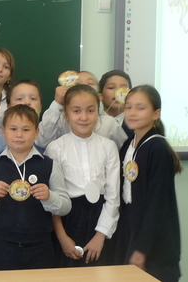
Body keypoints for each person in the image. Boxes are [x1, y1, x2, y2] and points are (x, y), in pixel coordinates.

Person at [0, 104, 71, 271]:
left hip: (41, 247)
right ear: (3, 131)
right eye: (13, 129)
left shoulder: (49, 165)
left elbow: (65, 207)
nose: (19, 135)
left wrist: (50, 197)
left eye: (26, 130)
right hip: (3, 247)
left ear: (36, 132)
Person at [45, 84, 120, 267]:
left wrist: (101, 235)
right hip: (67, 219)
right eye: (76, 111)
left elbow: (113, 195)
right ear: (66, 113)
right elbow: (53, 198)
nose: (84, 117)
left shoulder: (108, 146)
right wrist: (62, 237)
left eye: (90, 111)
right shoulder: (55, 148)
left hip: (101, 220)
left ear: (98, 112)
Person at [118, 85, 182, 282]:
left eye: (140, 108)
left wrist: (142, 249)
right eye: (129, 107)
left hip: (154, 240)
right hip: (131, 230)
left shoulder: (157, 148)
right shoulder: (128, 145)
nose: (132, 113)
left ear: (156, 113)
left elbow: (157, 204)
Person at [38, 71, 128, 149]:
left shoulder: (109, 123)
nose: (84, 86)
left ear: (100, 96)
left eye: (90, 83)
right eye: (77, 84)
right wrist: (57, 103)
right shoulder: (62, 119)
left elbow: (124, 150)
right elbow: (42, 142)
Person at [0, 80, 44, 158]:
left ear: (40, 107)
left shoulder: (47, 137)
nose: (27, 102)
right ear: (8, 107)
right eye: (19, 99)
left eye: (33, 98)